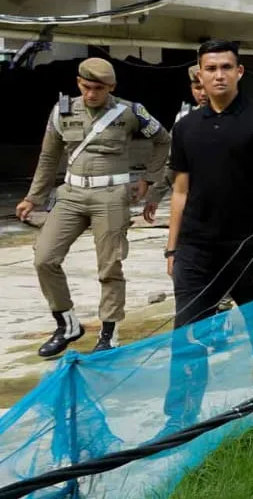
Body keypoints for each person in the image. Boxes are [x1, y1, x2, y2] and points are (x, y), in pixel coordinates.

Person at [161, 40, 253, 434]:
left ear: (239, 72)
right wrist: (172, 246)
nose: (218, 74)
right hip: (196, 249)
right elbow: (180, 191)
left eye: (226, 67)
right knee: (187, 334)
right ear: (199, 75)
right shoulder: (185, 128)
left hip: (250, 249)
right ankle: (179, 419)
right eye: (211, 68)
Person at [17, 57, 169, 356]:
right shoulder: (62, 112)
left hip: (111, 196)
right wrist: (33, 197)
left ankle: (109, 332)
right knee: (44, 258)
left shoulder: (130, 112)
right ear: (78, 83)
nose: (90, 94)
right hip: (71, 194)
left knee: (109, 266)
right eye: (86, 87)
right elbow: (48, 159)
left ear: (111, 87)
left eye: (98, 88)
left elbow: (163, 141)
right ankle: (67, 323)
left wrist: (149, 180)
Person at [142, 65, 207, 223]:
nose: (203, 93)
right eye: (198, 88)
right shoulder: (184, 120)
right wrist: (155, 196)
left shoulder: (242, 117)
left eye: (206, 87)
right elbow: (172, 162)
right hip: (194, 200)